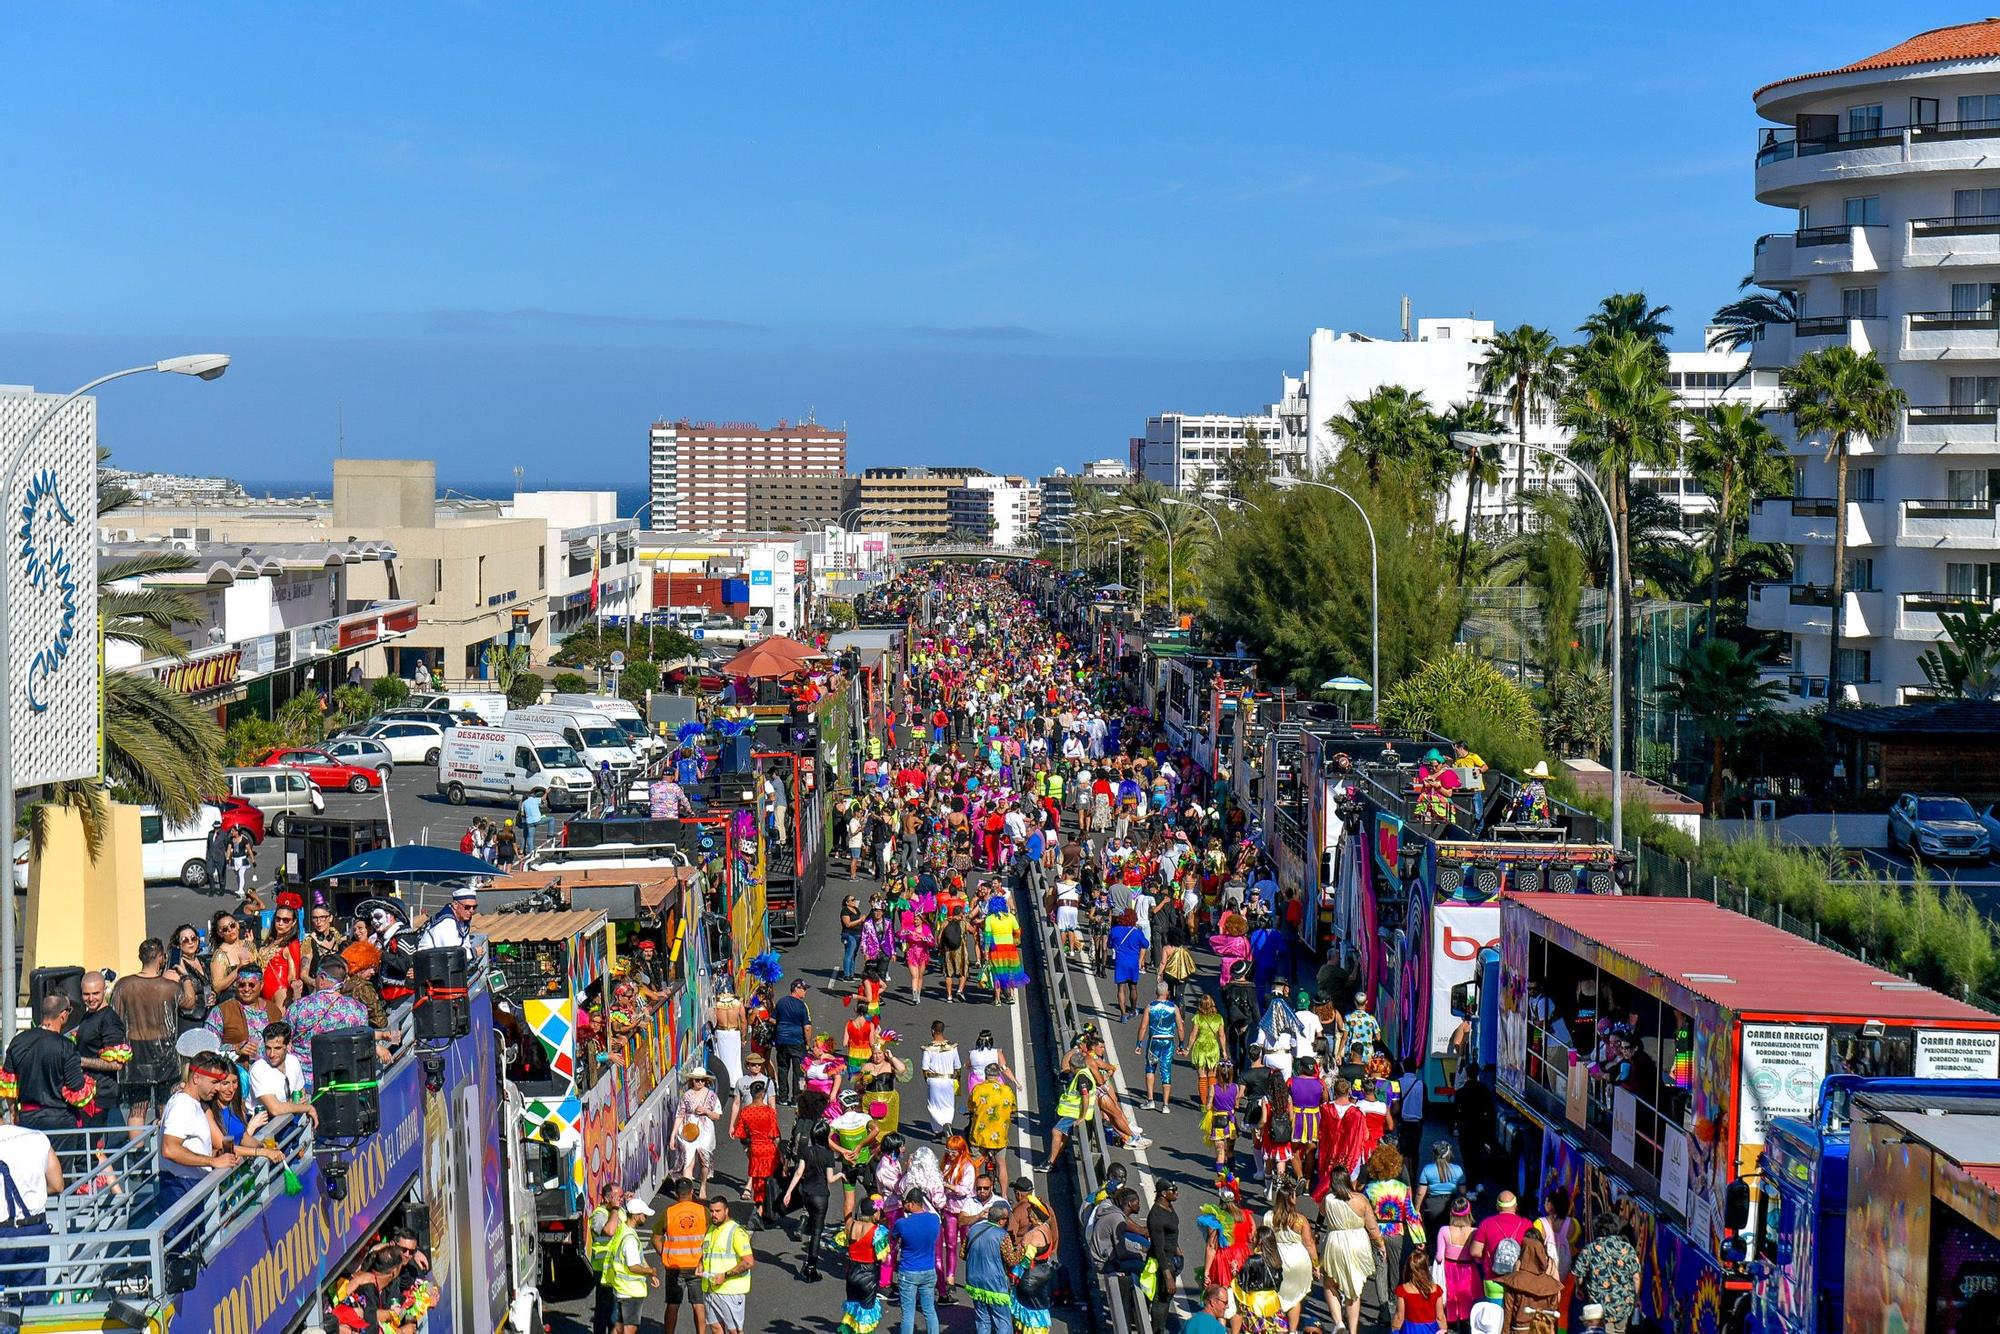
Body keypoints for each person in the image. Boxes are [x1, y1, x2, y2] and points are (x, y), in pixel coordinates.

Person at [112, 938, 185, 1130]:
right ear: (161, 958)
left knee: (138, 1107)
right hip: (164, 1051)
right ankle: (165, 1148)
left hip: (135, 1050)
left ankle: (137, 1153)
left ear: (140, 957)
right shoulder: (168, 986)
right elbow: (190, 1003)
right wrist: (183, 978)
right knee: (165, 1105)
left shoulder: (124, 985)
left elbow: (116, 1018)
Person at [157, 1053, 239, 1213]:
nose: (217, 1088)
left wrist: (217, 1155)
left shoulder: (194, 1104)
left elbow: (193, 1145)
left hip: (191, 1185)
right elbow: (169, 1149)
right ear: (196, 1078)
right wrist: (212, 1161)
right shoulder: (182, 1105)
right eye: (214, 1082)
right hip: (180, 1188)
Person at [285, 956, 370, 1088]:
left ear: (323, 978)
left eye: (316, 976)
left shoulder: (299, 1007)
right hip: (344, 1082)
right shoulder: (359, 1009)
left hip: (304, 1083)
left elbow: (281, 1038)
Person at [1315, 1171, 1377, 1334]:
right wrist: (1380, 1243)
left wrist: (1317, 1231)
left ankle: (1339, 1322)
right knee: (1354, 1286)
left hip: (1335, 1241)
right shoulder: (1360, 1200)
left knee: (1330, 1283)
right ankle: (1353, 1329)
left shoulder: (1328, 1200)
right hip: (1357, 1242)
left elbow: (1320, 1216)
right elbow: (1372, 1227)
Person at [656, 1178, 711, 1334]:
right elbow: (710, 1235)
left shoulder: (669, 1212)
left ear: (676, 1193)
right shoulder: (703, 1211)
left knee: (673, 1304)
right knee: (698, 1304)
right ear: (692, 1192)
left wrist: (664, 1253)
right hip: (697, 1265)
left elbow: (655, 1237)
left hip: (674, 1266)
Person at [1569, 1216, 1641, 1334]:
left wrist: (1579, 1288)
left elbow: (1578, 1275)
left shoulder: (1590, 1249)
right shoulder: (1627, 1249)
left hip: (1599, 1306)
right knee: (1620, 1331)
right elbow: (1636, 1277)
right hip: (1623, 1304)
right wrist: (1637, 1297)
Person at [600, 1197, 658, 1334]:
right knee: (629, 1329)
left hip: (621, 1289)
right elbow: (633, 1266)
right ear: (636, 1216)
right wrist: (650, 1271)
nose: (646, 1217)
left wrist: (648, 1270)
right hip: (630, 1292)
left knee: (619, 1328)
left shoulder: (623, 1230)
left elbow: (639, 1258)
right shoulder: (630, 1240)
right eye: (644, 1215)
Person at [700, 1193, 754, 1334]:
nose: (714, 1215)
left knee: (734, 1331)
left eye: (718, 1211)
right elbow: (707, 1252)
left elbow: (748, 1262)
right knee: (716, 1327)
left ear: (726, 1211)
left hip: (730, 1291)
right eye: (711, 1211)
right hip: (711, 1288)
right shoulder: (711, 1229)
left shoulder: (736, 1232)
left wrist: (725, 1275)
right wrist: (701, 1263)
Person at [891, 1186, 942, 1334]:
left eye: (905, 1202)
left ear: (912, 1203)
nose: (903, 1205)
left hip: (909, 1272)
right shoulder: (934, 1220)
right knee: (929, 1310)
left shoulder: (902, 1223)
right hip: (929, 1271)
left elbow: (894, 1237)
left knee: (908, 1313)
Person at [731, 1077, 781, 1227]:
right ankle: (769, 1210)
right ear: (763, 1093)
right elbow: (775, 1134)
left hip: (755, 1149)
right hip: (770, 1150)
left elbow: (741, 1133)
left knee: (758, 1182)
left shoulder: (746, 1112)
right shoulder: (769, 1112)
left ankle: (759, 1209)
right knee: (771, 1181)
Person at [247, 1023, 318, 1126]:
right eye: (268, 1048)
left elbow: (301, 1094)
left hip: (289, 1121)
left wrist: (303, 1102)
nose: (271, 1054)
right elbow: (275, 1109)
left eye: (277, 1048)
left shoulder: (293, 1061)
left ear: (288, 1045)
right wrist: (307, 1108)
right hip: (264, 1127)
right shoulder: (258, 1069)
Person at [961, 1199, 1012, 1334]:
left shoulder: (973, 1230)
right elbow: (1011, 1260)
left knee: (982, 1319)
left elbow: (962, 1253)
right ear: (1001, 1221)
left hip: (975, 1282)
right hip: (995, 1284)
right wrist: (1024, 1248)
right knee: (1002, 1321)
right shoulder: (1003, 1235)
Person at [1139, 982, 1186, 1113]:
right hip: (1168, 1041)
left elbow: (1143, 1026)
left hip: (1154, 1041)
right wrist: (1181, 1044)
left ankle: (1150, 1100)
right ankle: (1165, 1105)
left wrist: (1139, 1043)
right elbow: (1180, 1027)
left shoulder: (1150, 1007)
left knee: (1150, 1068)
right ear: (1167, 993)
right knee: (1166, 1071)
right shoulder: (1173, 1007)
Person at [1146, 1179, 1183, 1333]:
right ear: (1163, 1193)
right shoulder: (1156, 1216)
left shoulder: (1168, 1206)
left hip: (1173, 1259)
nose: (1176, 1193)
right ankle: (1157, 1329)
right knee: (1161, 1299)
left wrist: (1177, 1249)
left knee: (1166, 1299)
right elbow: (1158, 1248)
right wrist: (1167, 1275)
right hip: (1163, 1263)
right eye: (1173, 1190)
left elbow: (1171, 1233)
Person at [1471, 1191, 1533, 1280]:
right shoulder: (1527, 1224)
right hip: (1518, 1280)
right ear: (1516, 1206)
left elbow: (1475, 1252)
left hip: (1493, 1279)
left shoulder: (1487, 1223)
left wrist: (1484, 1260)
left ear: (1497, 1207)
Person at [772, 978, 813, 1104]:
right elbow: (807, 1028)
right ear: (796, 989)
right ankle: (797, 1098)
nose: (805, 992)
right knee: (799, 1073)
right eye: (804, 989)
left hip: (782, 1041)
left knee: (783, 1069)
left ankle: (783, 1097)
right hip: (797, 1042)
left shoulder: (781, 1002)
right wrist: (808, 1044)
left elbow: (772, 1020)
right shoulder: (802, 1006)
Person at [416, 885, 482, 961]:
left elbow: (465, 945)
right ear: (455, 905)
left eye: (474, 907)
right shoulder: (446, 923)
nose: (471, 911)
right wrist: (473, 953)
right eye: (467, 907)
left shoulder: (463, 920)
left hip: (444, 963)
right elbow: (451, 953)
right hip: (429, 963)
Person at [1415, 1140, 1466, 1239]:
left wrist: (1417, 1210)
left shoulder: (1427, 1169)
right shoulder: (1458, 1169)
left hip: (1432, 1205)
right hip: (1452, 1205)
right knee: (1450, 1236)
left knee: (1431, 1235)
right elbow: (1463, 1191)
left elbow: (1420, 1193)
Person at [1391, 1245, 1445, 1334]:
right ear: (1426, 1269)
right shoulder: (1436, 1290)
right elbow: (1440, 1317)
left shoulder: (1403, 1290)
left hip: (1410, 1330)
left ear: (1408, 1269)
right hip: (1430, 1330)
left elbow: (1399, 1317)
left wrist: (1394, 1330)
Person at [920, 1023, 961, 1134]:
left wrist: (927, 1080)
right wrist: (957, 1081)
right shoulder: (952, 1047)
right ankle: (947, 1122)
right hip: (948, 1079)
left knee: (933, 1105)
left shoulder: (928, 1048)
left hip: (934, 1080)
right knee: (948, 1104)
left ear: (933, 1031)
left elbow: (925, 1068)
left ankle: (937, 1129)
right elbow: (958, 1066)